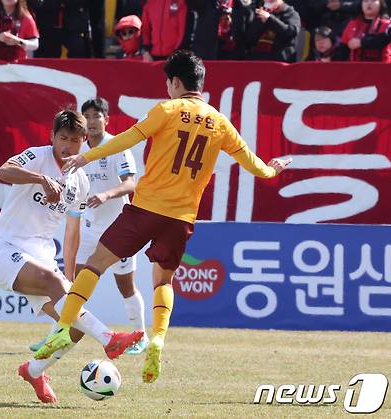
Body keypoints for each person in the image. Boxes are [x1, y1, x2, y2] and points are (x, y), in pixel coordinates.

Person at [34, 50, 292, 384]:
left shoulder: (167, 110)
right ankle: (157, 339)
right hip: (181, 216)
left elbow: (127, 138)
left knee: (96, 263)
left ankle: (64, 327)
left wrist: (86, 157)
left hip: (145, 208)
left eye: (168, 83)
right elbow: (256, 166)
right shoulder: (221, 123)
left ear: (174, 82)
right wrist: (273, 170)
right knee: (164, 282)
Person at [0, 110, 143, 403]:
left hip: (43, 257)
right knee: (52, 283)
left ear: (84, 141)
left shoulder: (81, 180)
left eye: (75, 140)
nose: (68, 145)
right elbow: (3, 171)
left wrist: (70, 279)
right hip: (7, 250)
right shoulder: (37, 156)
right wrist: (41, 179)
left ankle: (34, 371)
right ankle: (110, 339)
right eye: (63, 138)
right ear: (52, 137)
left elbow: (72, 233)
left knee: (74, 328)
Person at [28, 98, 147, 356]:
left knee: (125, 286)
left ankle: (141, 337)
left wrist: (106, 195)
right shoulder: (78, 152)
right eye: (87, 116)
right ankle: (54, 335)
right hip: (90, 229)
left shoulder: (117, 147)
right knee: (70, 284)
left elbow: (131, 184)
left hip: (119, 228)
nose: (92, 121)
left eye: (97, 116)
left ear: (107, 119)